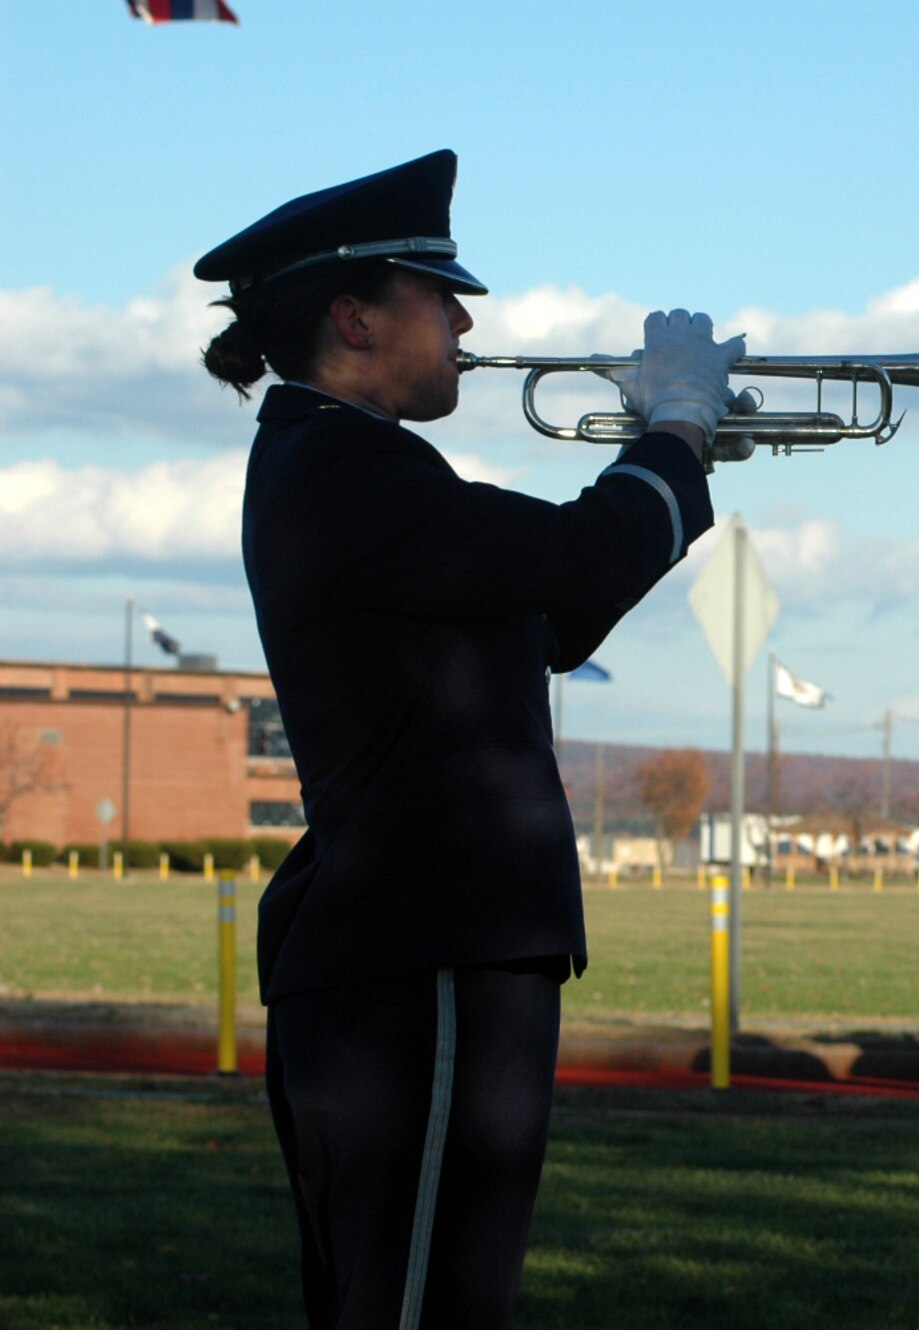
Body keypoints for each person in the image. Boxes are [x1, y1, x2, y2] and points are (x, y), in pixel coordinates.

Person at [199, 150, 743, 1327]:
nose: (460, 320)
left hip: (425, 940)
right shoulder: (345, 471)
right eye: (438, 295)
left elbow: (550, 615)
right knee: (421, 1306)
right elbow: (576, 557)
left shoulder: (352, 467)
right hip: (425, 944)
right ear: (352, 316)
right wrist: (675, 430)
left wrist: (671, 461)